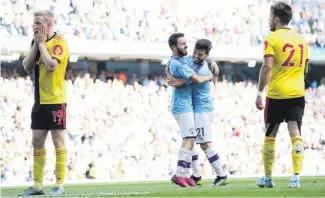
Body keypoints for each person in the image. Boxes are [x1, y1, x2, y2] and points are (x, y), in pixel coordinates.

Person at [255, 2, 309, 188]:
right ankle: (295, 178)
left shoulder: (271, 38)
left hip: (277, 94)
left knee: (271, 135)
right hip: (297, 93)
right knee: (296, 133)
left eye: (270, 17)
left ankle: (268, 179)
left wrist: (259, 92)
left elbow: (267, 66)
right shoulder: (301, 39)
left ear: (277, 19)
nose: (269, 20)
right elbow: (306, 69)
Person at [18, 10, 69, 196]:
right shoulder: (35, 43)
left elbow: (52, 65)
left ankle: (59, 184)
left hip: (56, 101)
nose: (35, 26)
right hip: (39, 101)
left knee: (58, 141)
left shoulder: (59, 43)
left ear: (49, 24)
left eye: (39, 23)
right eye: (34, 23)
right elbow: (27, 66)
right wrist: (37, 45)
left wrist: (41, 45)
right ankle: (38, 186)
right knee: (37, 141)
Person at [167, 39, 229, 186]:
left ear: (206, 55)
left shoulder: (203, 69)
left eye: (200, 55)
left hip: (203, 110)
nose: (195, 56)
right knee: (192, 140)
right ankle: (195, 175)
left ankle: (221, 175)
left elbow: (195, 80)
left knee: (205, 143)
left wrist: (175, 82)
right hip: (195, 108)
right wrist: (168, 72)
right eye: (195, 52)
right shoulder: (190, 59)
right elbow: (173, 63)